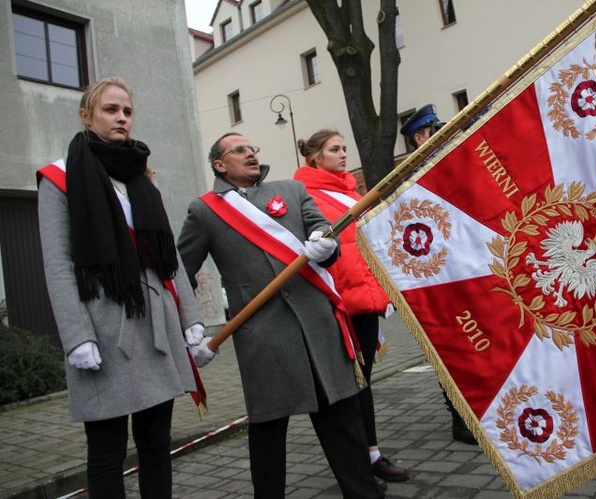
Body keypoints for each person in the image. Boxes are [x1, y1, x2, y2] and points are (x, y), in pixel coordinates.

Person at [176, 132, 385, 498]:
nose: (250, 154)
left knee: (342, 421)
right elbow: (181, 272)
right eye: (239, 150)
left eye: (252, 148)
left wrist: (325, 242)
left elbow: (322, 227)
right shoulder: (205, 211)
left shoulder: (291, 190)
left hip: (318, 325)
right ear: (219, 165)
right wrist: (191, 325)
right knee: (269, 433)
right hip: (263, 336)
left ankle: (364, 492)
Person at [37, 76, 214, 499]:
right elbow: (58, 264)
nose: (121, 118)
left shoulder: (141, 176)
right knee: (106, 453)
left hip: (158, 326)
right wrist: (76, 337)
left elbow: (166, 254)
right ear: (86, 116)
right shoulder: (58, 178)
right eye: (110, 110)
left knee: (156, 447)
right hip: (102, 329)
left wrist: (191, 320)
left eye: (127, 111)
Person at [294, 129, 409, 483]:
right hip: (338, 306)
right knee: (349, 387)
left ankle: (371, 454)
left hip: (367, 301)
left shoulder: (349, 191)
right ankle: (358, 462)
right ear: (315, 157)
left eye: (344, 148)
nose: (344, 154)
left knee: (364, 382)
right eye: (334, 149)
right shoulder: (305, 195)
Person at [400, 104, 478, 446]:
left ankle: (477, 409)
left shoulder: (449, 164)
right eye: (436, 130)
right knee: (454, 347)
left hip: (469, 267)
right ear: (420, 137)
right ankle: (460, 419)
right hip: (439, 276)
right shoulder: (412, 175)